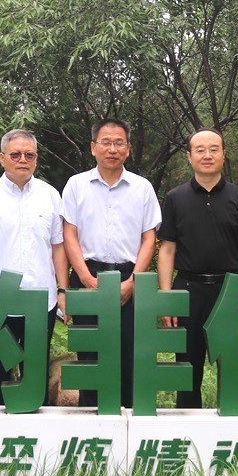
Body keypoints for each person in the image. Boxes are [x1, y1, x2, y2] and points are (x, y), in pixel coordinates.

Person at [0, 128, 69, 406]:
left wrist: (63, 289)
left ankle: (36, 428)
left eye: (29, 155)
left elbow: (58, 246)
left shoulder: (50, 195)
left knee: (36, 372)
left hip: (41, 301)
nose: (23, 160)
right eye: (16, 154)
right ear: (2, 158)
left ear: (36, 158)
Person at [156, 127, 238, 409]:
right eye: (200, 150)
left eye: (214, 149)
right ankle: (187, 429)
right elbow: (167, 250)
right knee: (186, 371)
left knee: (232, 370)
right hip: (187, 290)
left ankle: (235, 429)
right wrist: (167, 298)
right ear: (189, 156)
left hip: (230, 290)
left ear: (224, 155)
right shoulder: (175, 198)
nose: (207, 155)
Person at [60, 118, 160, 409]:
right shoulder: (76, 185)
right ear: (93, 147)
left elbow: (149, 239)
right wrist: (86, 279)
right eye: (106, 142)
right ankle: (91, 420)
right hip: (88, 274)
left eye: (119, 143)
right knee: (89, 355)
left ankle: (128, 419)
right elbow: (69, 234)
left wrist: (133, 282)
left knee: (130, 353)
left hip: (130, 277)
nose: (112, 149)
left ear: (128, 148)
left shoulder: (142, 188)